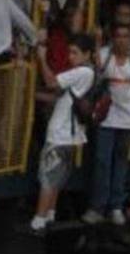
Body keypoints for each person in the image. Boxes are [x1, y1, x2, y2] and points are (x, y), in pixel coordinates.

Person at [30, 34, 95, 234]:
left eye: (75, 53)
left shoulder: (83, 72)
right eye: (70, 52)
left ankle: (39, 219)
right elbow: (56, 96)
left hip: (61, 134)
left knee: (48, 177)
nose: (70, 57)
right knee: (56, 177)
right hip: (68, 134)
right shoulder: (83, 74)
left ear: (87, 54)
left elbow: (51, 83)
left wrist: (41, 58)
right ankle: (50, 213)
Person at [82, 23, 130, 225]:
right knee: (102, 160)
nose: (122, 40)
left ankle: (116, 206)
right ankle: (98, 206)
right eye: (118, 36)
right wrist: (98, 42)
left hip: (129, 117)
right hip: (106, 114)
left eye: (126, 36)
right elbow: (97, 71)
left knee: (121, 160)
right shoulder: (105, 55)